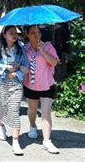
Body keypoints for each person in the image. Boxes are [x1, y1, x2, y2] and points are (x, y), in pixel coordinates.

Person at [0, 26, 29, 156]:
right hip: (0, 82)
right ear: (4, 34)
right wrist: (6, 68)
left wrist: (17, 73)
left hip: (16, 84)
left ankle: (16, 141)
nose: (14, 35)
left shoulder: (20, 48)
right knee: (1, 108)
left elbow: (26, 66)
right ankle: (1, 127)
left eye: (15, 33)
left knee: (14, 110)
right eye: (10, 33)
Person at [23, 25, 60, 154]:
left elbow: (54, 63)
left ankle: (46, 141)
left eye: (38, 32)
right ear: (27, 35)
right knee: (32, 110)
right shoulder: (24, 49)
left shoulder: (48, 46)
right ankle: (32, 126)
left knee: (46, 113)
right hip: (30, 85)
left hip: (46, 84)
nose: (36, 35)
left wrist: (42, 51)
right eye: (32, 32)